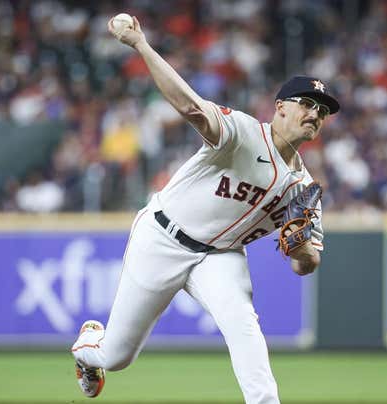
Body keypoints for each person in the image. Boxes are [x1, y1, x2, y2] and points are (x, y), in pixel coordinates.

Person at [71, 14, 340, 404]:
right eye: (307, 103)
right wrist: (141, 45)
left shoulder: (302, 189)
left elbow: (306, 264)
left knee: (244, 324)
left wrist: (299, 247)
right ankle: (88, 346)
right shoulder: (245, 134)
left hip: (220, 257)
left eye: (323, 110)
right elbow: (192, 108)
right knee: (115, 357)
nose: (315, 113)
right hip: (164, 237)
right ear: (280, 107)